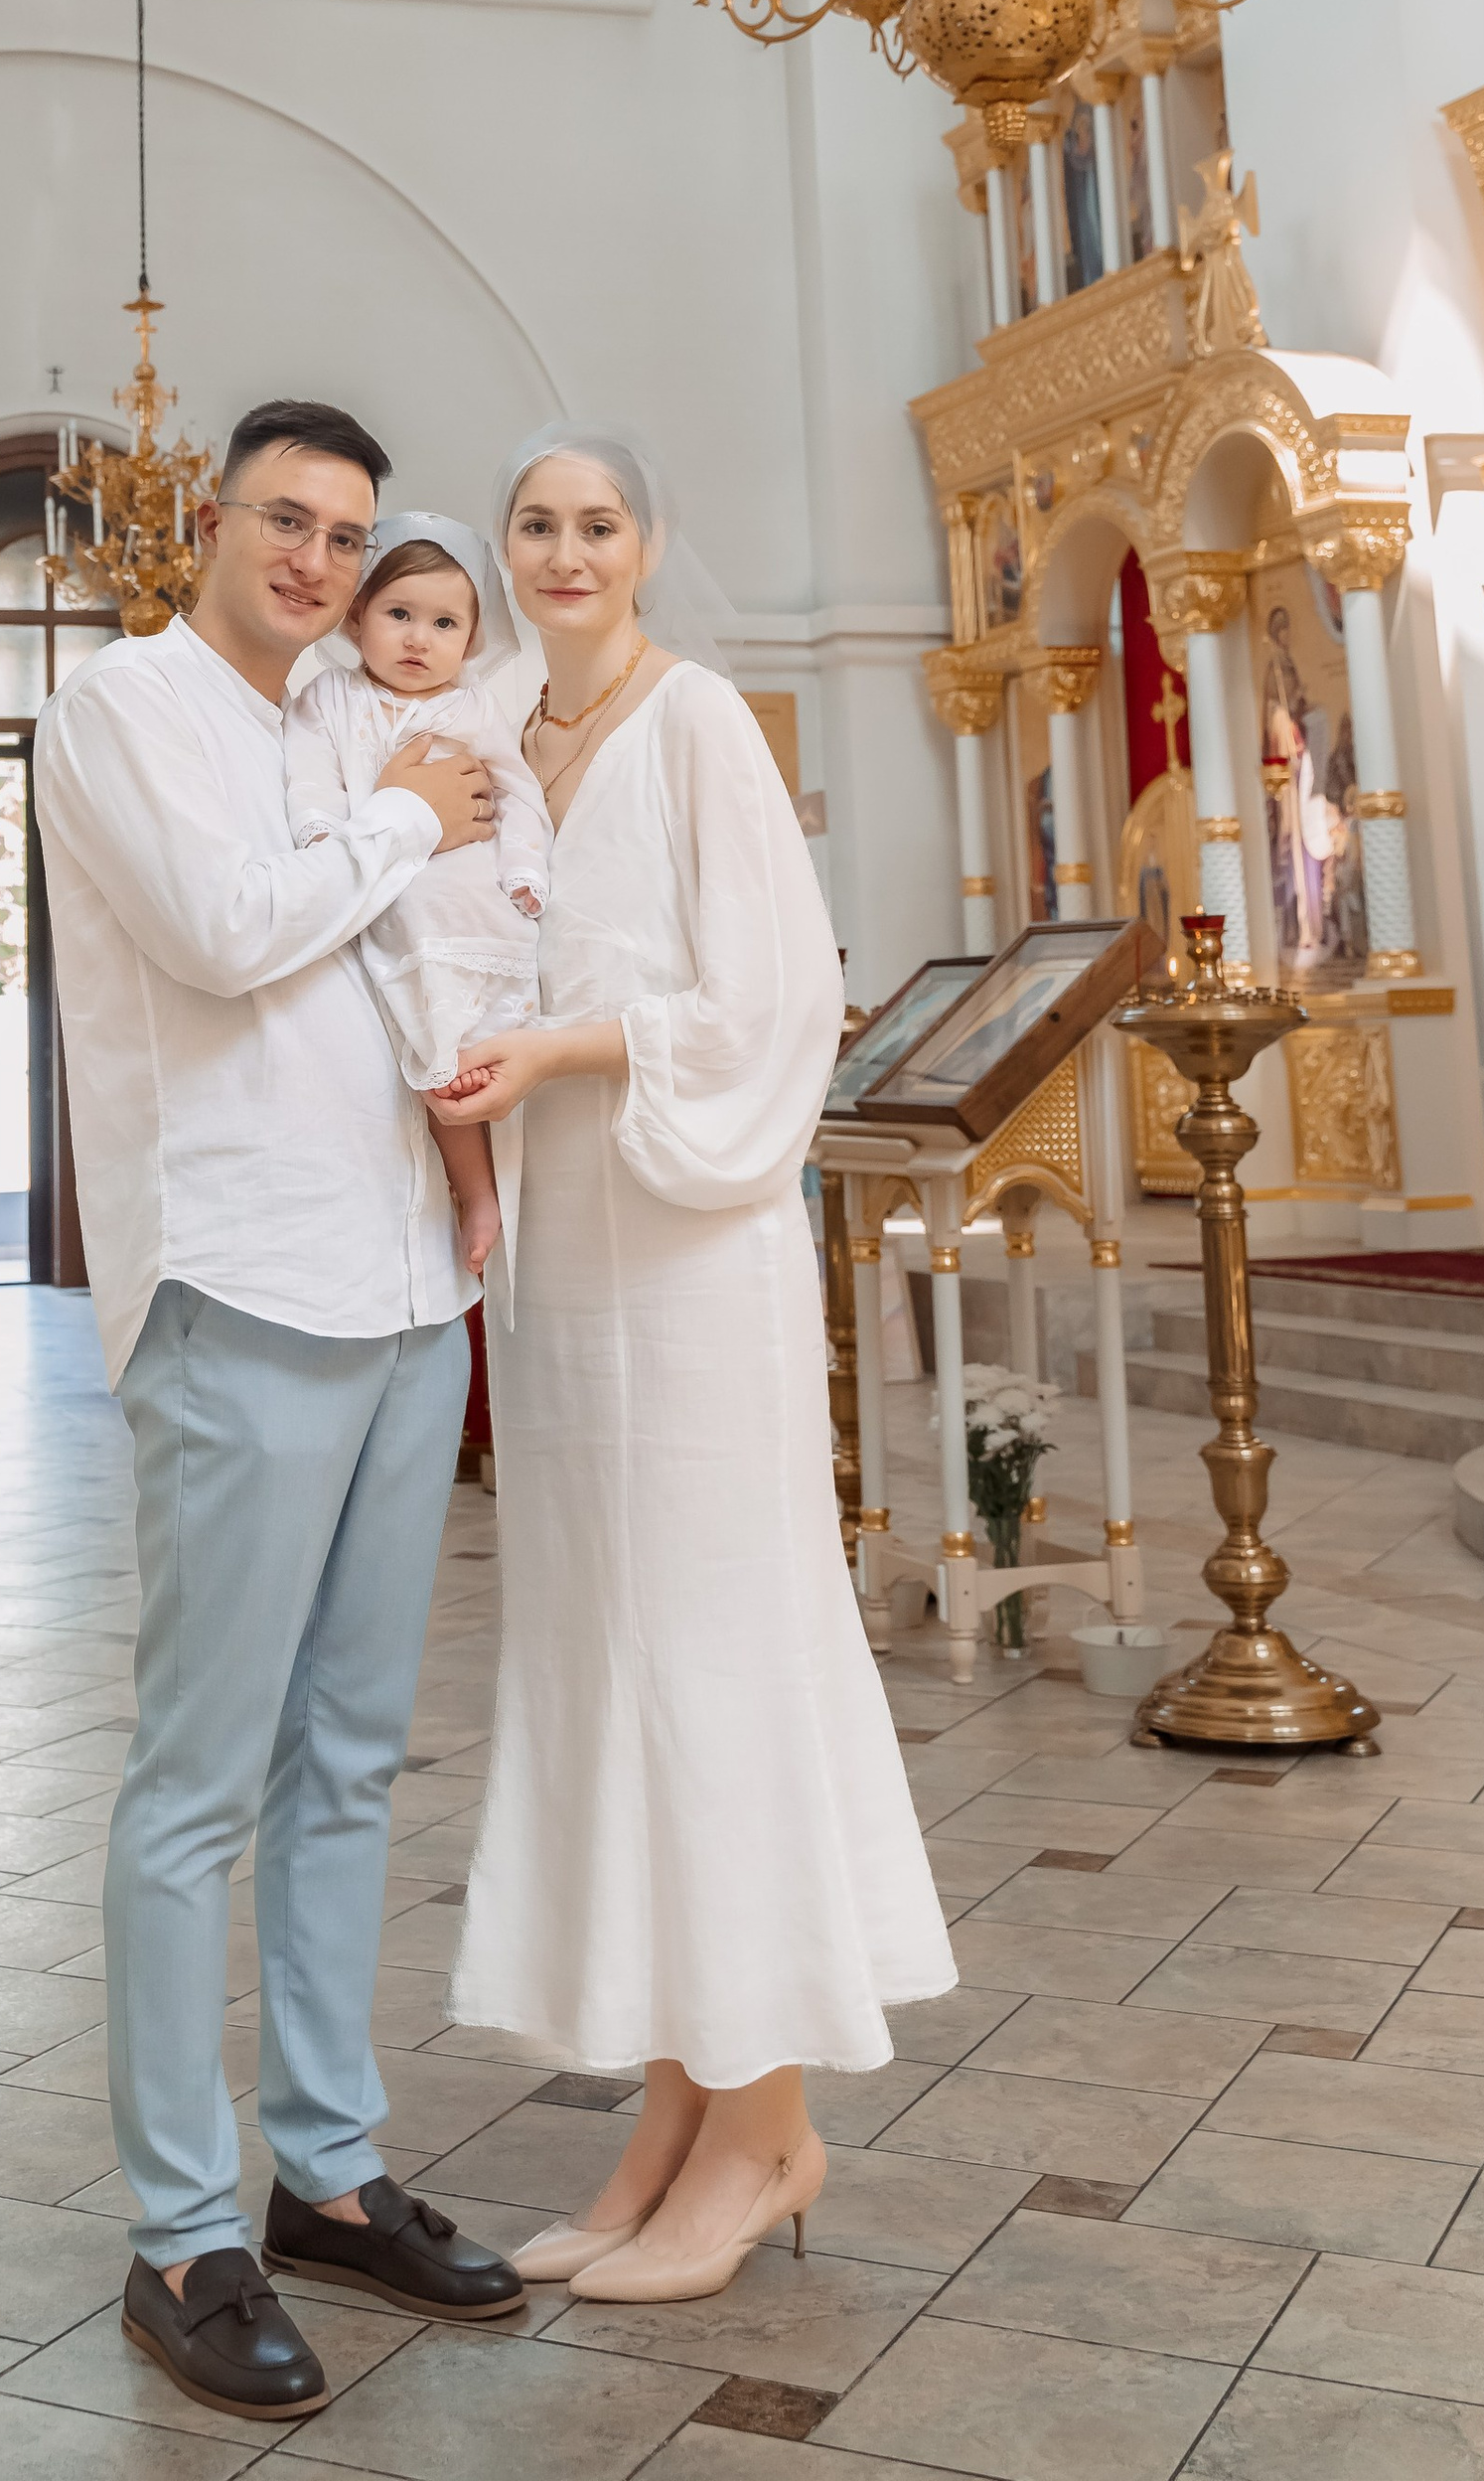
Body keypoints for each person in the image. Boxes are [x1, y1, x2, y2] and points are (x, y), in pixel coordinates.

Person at [32, 400, 526, 2428]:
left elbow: (425, 916)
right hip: (241, 1280)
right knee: (200, 1775)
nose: (317, 559)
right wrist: (409, 816)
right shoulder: (117, 709)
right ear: (210, 525)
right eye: (285, 521)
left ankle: (322, 2168)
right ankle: (178, 2229)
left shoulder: (343, 714)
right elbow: (235, 935)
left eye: (343, 528)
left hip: (411, 1283)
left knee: (348, 1757)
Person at [431, 426, 955, 2304]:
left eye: (597, 525)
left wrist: (568, 1052)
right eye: (534, 526)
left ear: (649, 546)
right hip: (564, 1270)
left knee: (716, 1657)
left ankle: (765, 2128)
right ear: (500, 550)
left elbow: (779, 992)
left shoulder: (702, 721)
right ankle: (668, 2107)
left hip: (690, 1244)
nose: (564, 554)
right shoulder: (497, 728)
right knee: (605, 1657)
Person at [285, 513, 550, 1280]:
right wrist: (320, 831)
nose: (417, 639)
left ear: (470, 641)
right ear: (359, 612)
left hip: (473, 906)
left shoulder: (472, 711)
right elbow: (307, 776)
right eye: (399, 613)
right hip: (388, 901)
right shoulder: (325, 698)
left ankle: (489, 1189)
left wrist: (523, 869)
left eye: (443, 623)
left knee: (469, 1064)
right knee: (430, 1068)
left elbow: (519, 796)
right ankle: (475, 1193)